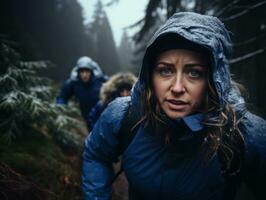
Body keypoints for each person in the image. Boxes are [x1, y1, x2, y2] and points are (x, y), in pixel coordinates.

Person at [82, 12, 266, 200]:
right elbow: (96, 154)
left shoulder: (244, 133)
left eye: (194, 73)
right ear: (150, 74)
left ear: (213, 78)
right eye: (166, 70)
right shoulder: (124, 115)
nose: (177, 88)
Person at [56, 56, 105, 128]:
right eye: (82, 72)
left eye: (87, 71)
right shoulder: (73, 83)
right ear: (78, 72)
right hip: (87, 117)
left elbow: (115, 88)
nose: (84, 75)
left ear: (91, 71)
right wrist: (61, 106)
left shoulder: (100, 80)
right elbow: (63, 96)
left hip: (103, 115)